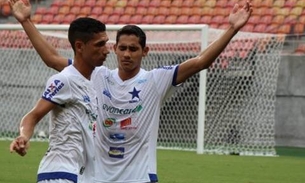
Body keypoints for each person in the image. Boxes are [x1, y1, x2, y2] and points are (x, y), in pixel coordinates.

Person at [9, 0, 253, 182]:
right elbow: (52, 58)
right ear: (114, 49)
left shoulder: (156, 80)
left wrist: (232, 29)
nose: (127, 54)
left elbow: (200, 62)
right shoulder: (97, 76)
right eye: (122, 48)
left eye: (134, 49)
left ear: (144, 52)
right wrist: (25, 21)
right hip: (96, 178)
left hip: (139, 176)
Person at [9, 4, 110, 182]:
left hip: (79, 173)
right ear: (80, 46)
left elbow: (53, 58)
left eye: (106, 43)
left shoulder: (94, 78)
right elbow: (33, 116)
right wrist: (23, 136)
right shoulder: (65, 80)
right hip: (59, 172)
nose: (107, 50)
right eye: (99, 44)